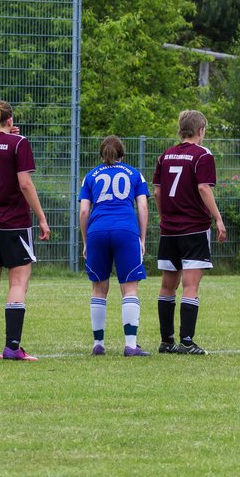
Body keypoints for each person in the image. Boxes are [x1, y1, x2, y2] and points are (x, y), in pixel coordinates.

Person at [0, 100, 50, 361]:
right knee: (18, 282)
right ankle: (13, 347)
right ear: (11, 120)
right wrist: (41, 217)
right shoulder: (19, 143)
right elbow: (24, 183)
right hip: (14, 222)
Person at [153, 110, 226, 355]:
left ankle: (166, 341)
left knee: (167, 285)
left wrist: (164, 217)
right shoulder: (203, 155)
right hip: (194, 228)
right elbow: (204, 188)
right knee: (191, 285)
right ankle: (186, 341)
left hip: (169, 229)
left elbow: (157, 192)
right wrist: (217, 218)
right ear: (200, 130)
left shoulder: (165, 156)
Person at [79, 136, 151, 357]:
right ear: (123, 155)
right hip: (125, 230)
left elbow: (83, 211)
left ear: (101, 156)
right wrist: (142, 238)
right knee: (129, 288)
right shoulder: (135, 174)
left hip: (97, 232)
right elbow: (143, 206)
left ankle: (98, 344)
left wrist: (85, 241)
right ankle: (130, 345)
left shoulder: (90, 176)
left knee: (99, 288)